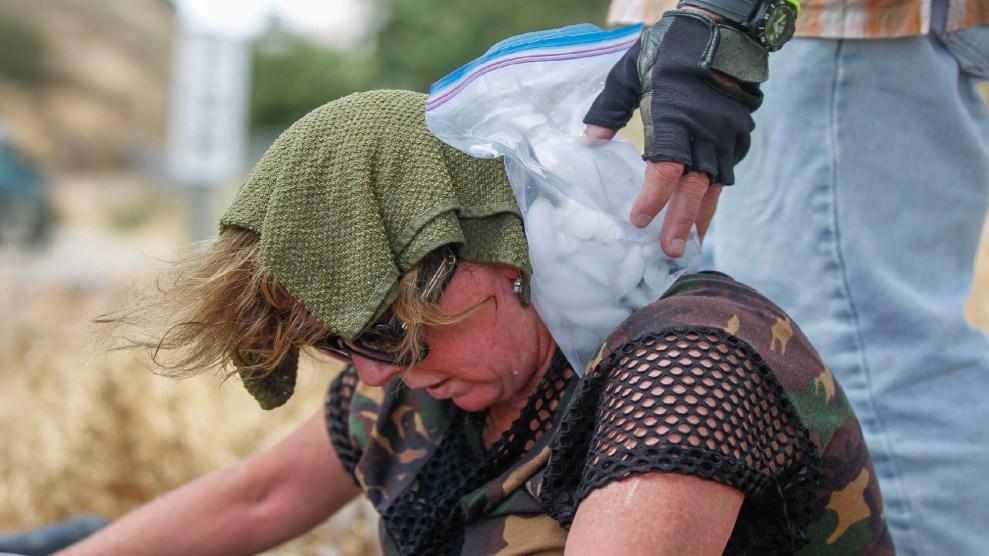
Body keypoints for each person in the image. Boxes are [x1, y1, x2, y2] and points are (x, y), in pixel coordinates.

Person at [59, 90, 891, 555]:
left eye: (388, 330)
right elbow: (257, 498)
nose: (372, 370)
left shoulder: (682, 370)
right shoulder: (421, 382)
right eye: (335, 341)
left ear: (504, 256)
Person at [586, 0, 989, 554]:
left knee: (855, 374)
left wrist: (724, 19)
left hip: (831, 34)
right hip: (807, 37)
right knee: (770, 352)